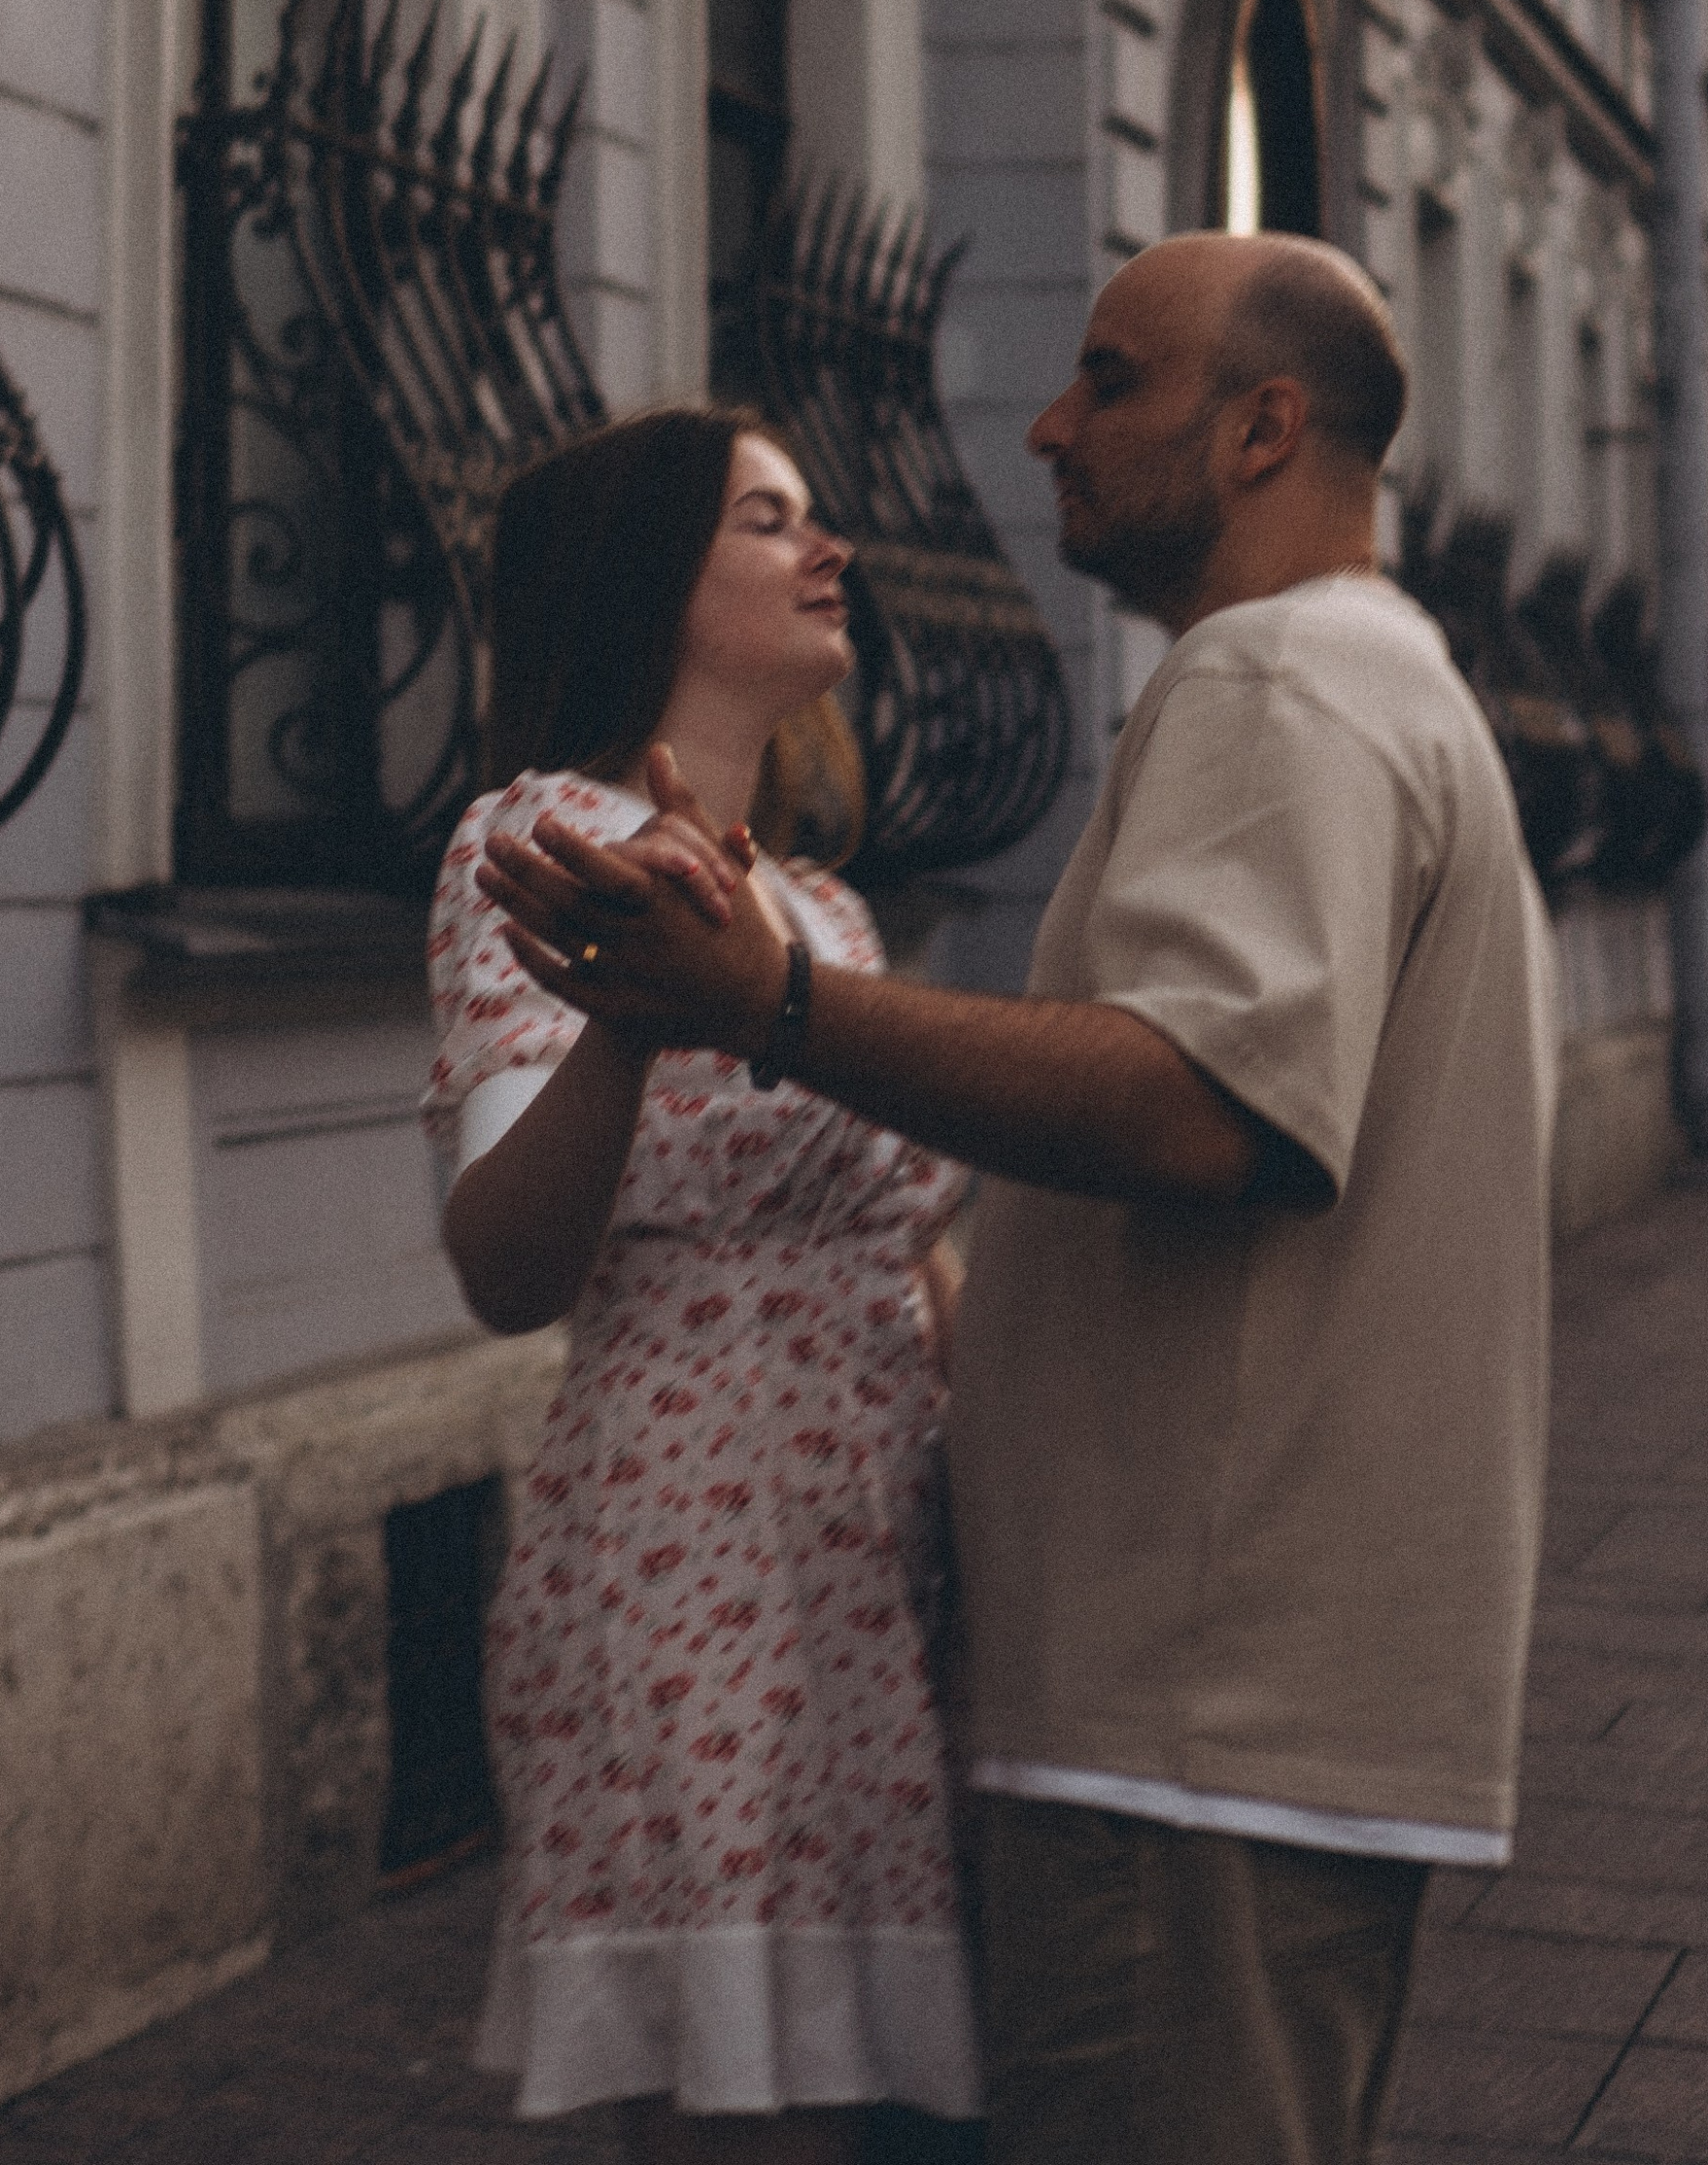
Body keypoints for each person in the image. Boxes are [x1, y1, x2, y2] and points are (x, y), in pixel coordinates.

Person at [482, 234, 1556, 2165]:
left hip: (1194, 1697)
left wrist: (777, 1002)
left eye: (1109, 381)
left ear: (1259, 430)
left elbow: (1200, 1108)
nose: (1046, 428)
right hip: (1211, 1693)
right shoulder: (1368, 676)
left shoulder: (1274, 685)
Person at [424, 403, 981, 2163]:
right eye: (767, 519)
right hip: (698, 1535)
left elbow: (915, 1238)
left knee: (897, 2082)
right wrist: (622, 1021)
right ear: (645, 582)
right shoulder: (542, 845)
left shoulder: (827, 906)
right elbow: (508, 1268)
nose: (828, 553)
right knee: (756, 2092)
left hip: (878, 1530)